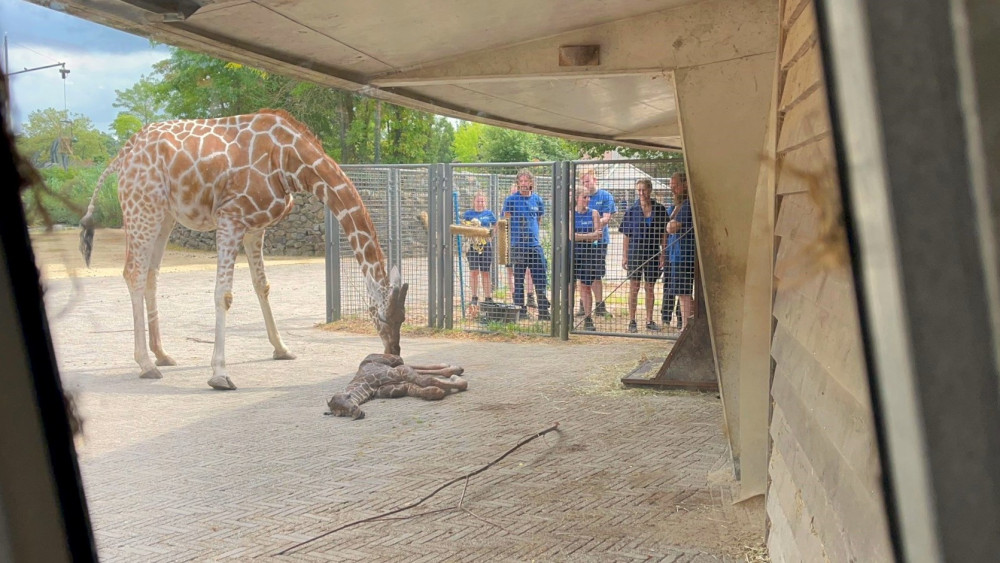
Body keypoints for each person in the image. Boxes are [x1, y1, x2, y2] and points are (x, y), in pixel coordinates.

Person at [619, 178, 669, 333]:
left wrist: (663, 254)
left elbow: (664, 235)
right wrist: (625, 256)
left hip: (653, 252)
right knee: (634, 286)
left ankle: (649, 320)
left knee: (650, 287)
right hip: (635, 252)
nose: (641, 193)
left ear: (650, 190)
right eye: (638, 190)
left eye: (644, 190)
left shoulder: (660, 209)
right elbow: (626, 235)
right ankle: (632, 320)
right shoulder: (631, 211)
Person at [501, 169, 551, 321]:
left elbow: (538, 220)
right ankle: (520, 311)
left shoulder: (537, 200)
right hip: (518, 245)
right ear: (518, 184)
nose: (523, 184)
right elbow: (506, 221)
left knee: (540, 277)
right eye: (520, 181)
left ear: (531, 183)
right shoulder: (511, 200)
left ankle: (543, 311)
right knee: (519, 279)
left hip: (534, 245)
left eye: (526, 181)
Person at [577, 167, 616, 318]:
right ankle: (583, 305)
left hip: (599, 241)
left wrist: (591, 226)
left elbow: (606, 218)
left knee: (596, 274)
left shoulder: (605, 196)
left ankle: (600, 305)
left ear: (595, 180)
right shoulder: (580, 196)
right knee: (581, 274)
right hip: (581, 243)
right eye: (583, 182)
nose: (586, 184)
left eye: (588, 181)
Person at [664, 172, 695, 331]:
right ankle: (688, 324)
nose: (673, 189)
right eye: (671, 186)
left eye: (675, 185)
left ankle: (686, 327)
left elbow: (671, 227)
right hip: (675, 254)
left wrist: (670, 222)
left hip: (684, 255)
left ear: (685, 185)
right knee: (682, 292)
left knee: (683, 292)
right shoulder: (676, 205)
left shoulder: (688, 205)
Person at [572, 189, 602, 331]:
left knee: (586, 286)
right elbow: (572, 236)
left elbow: (599, 235)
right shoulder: (571, 214)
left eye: (589, 197)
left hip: (588, 253)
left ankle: (588, 318)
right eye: (584, 197)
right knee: (570, 285)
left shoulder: (594, 213)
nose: (587, 199)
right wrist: (590, 235)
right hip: (573, 253)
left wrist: (582, 236)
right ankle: (568, 316)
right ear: (577, 198)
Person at [462, 192, 498, 309]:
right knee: (474, 272)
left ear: (485, 202)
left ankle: (488, 297)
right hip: (473, 246)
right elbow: (463, 226)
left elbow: (496, 224)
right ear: (474, 202)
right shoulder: (468, 214)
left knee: (485, 272)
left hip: (486, 245)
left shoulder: (489, 214)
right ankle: (474, 297)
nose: (480, 203)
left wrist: (491, 235)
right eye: (478, 201)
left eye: (482, 201)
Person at [505, 182, 534, 307]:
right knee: (511, 270)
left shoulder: (526, 204)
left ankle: (530, 296)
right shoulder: (508, 204)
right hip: (510, 242)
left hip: (526, 242)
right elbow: (504, 221)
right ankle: (514, 295)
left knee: (528, 270)